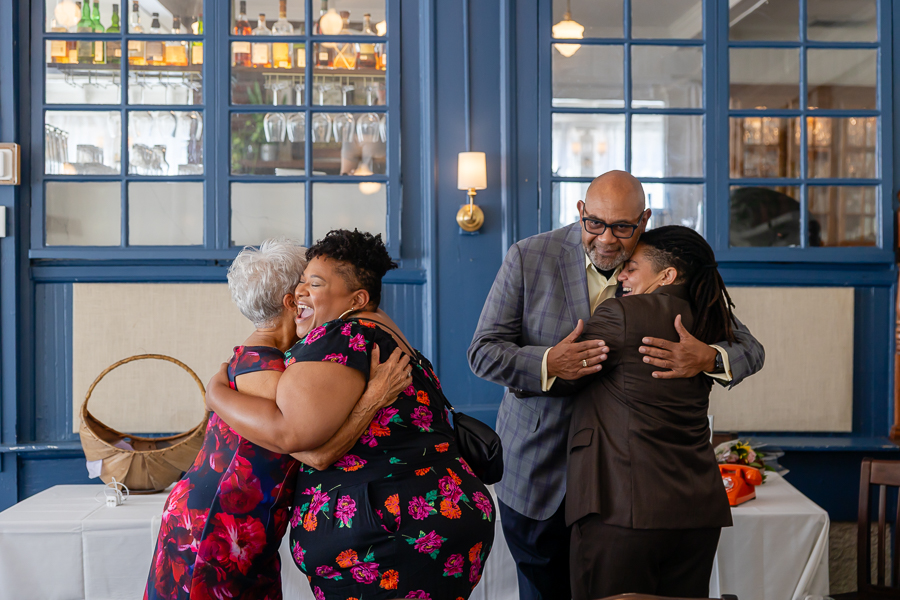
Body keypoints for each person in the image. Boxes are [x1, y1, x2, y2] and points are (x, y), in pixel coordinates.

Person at [467, 171, 765, 600]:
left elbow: (750, 349)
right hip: (540, 476)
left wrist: (710, 356)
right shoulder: (529, 257)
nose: (608, 239)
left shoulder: (659, 263)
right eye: (596, 224)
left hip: (623, 492)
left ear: (643, 220)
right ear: (581, 213)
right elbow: (483, 352)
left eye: (623, 227)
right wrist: (549, 361)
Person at [205, 229, 496, 600]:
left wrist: (215, 393)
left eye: (316, 283)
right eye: (301, 282)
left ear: (357, 298)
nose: (300, 292)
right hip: (437, 517)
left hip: (391, 537)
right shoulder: (385, 331)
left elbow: (296, 440)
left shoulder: (342, 335)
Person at [145, 238, 411, 600]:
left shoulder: (272, 358)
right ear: (293, 301)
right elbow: (312, 451)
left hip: (242, 522)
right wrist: (373, 398)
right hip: (216, 523)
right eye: (306, 283)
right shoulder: (267, 368)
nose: (308, 291)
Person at [552, 225, 736, 599]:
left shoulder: (620, 313)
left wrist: (535, 365)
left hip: (623, 509)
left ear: (667, 275)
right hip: (697, 513)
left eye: (632, 268)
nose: (621, 275)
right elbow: (749, 350)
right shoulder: (712, 320)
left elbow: (563, 375)